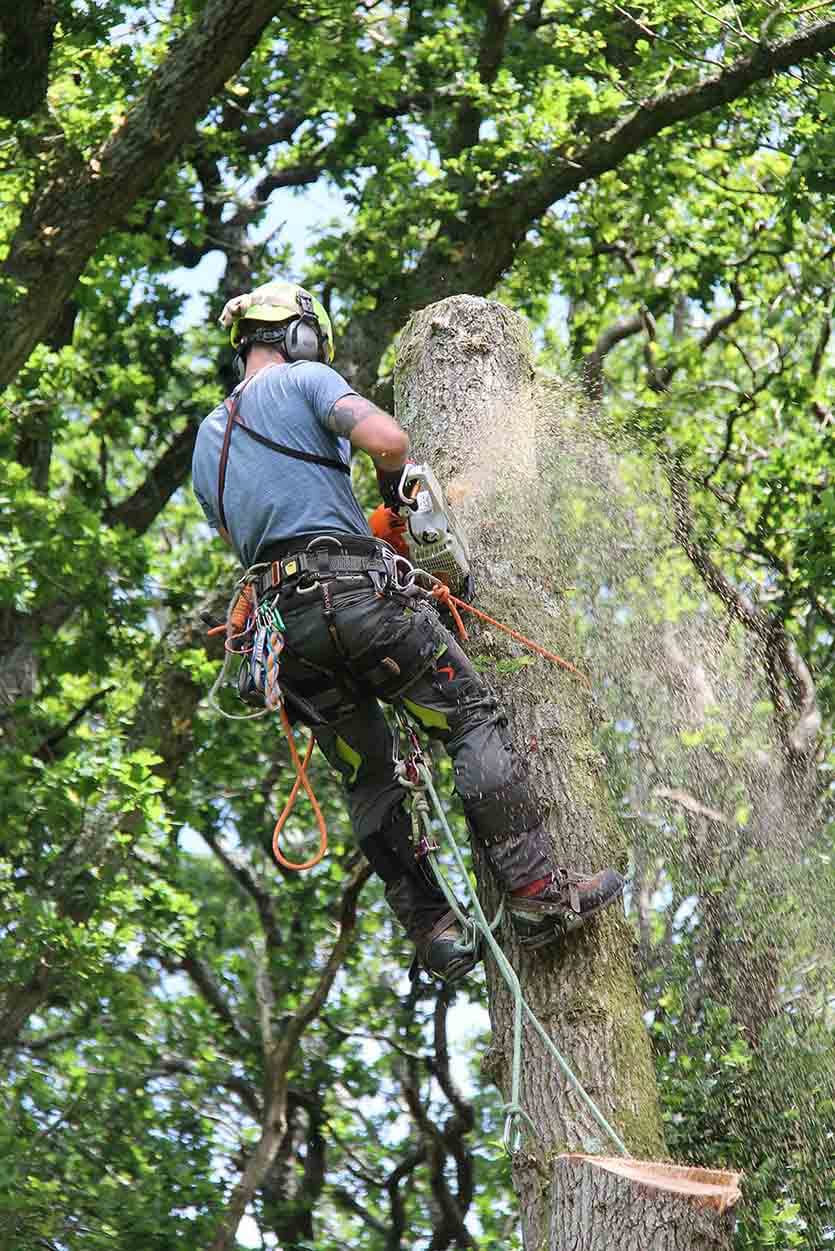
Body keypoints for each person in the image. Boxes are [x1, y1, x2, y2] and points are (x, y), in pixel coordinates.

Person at [192, 279, 624, 983]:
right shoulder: (306, 379)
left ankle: (435, 933)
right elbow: (388, 439)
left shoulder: (208, 440)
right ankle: (537, 893)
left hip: (287, 637)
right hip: (358, 606)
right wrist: (394, 493)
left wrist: (356, 529)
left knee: (368, 778)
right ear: (299, 336)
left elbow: (267, 529)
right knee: (470, 717)